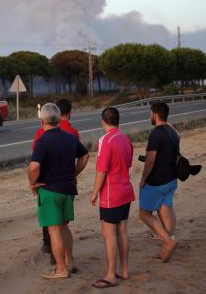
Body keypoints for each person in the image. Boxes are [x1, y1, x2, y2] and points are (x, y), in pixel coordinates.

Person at [28, 103, 89, 279]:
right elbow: (85, 155)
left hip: (50, 190)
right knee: (64, 227)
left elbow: (33, 167)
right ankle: (69, 262)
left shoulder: (42, 141)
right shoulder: (70, 137)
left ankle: (61, 269)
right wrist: (74, 172)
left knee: (53, 230)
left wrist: (32, 183)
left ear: (42, 121)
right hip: (68, 189)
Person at [90, 107, 135, 289]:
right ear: (118, 121)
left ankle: (111, 275)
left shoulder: (105, 140)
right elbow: (129, 163)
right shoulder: (125, 138)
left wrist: (94, 192)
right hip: (126, 191)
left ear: (103, 122)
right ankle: (123, 270)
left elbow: (102, 169)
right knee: (122, 231)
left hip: (111, 194)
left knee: (109, 234)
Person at [138, 102, 179, 263]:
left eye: (150, 114)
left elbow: (151, 160)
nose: (150, 116)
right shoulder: (173, 132)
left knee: (144, 214)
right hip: (171, 179)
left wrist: (143, 180)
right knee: (166, 212)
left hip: (156, 181)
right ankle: (166, 248)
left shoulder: (155, 134)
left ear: (154, 114)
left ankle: (169, 242)